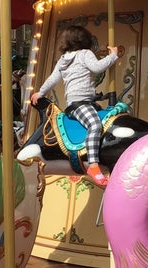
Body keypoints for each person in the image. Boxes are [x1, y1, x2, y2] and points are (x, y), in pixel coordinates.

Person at [30, 25, 118, 186]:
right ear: (85, 40)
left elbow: (53, 79)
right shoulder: (85, 54)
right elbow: (97, 67)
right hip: (81, 104)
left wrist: (40, 93)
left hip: (75, 104)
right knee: (95, 125)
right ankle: (93, 165)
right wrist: (113, 55)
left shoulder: (63, 59)